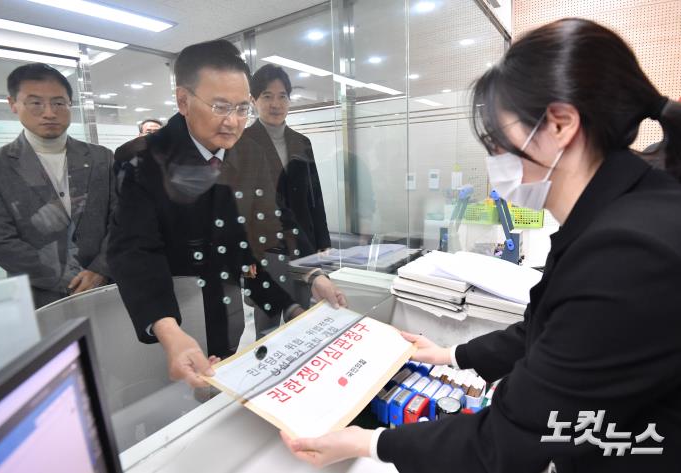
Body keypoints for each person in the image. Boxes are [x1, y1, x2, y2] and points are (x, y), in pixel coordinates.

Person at [282, 18, 681, 472]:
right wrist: (452, 355)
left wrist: (371, 443)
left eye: (497, 143)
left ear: (560, 125)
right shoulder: (625, 208)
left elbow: (508, 441)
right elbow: (547, 331)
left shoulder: (626, 251)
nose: (494, 162)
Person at [108, 40, 344, 388]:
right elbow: (134, 251)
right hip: (170, 312)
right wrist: (168, 329)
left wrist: (309, 275)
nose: (233, 122)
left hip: (227, 302)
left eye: (241, 108)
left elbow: (272, 222)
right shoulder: (141, 158)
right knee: (178, 401)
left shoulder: (248, 153)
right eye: (220, 107)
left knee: (224, 385)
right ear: (183, 101)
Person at [0, 63, 114, 307]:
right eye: (35, 103)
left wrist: (101, 269)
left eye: (59, 103)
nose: (49, 112)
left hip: (108, 285)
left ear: (70, 104)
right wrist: (66, 279)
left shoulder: (102, 157)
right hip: (41, 296)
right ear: (13, 104)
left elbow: (122, 218)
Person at [241, 64, 342, 337]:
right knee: (269, 317)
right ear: (253, 100)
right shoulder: (241, 143)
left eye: (282, 96)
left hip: (303, 239)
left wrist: (324, 242)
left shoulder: (301, 142)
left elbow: (315, 196)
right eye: (266, 96)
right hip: (264, 246)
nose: (276, 104)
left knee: (305, 308)